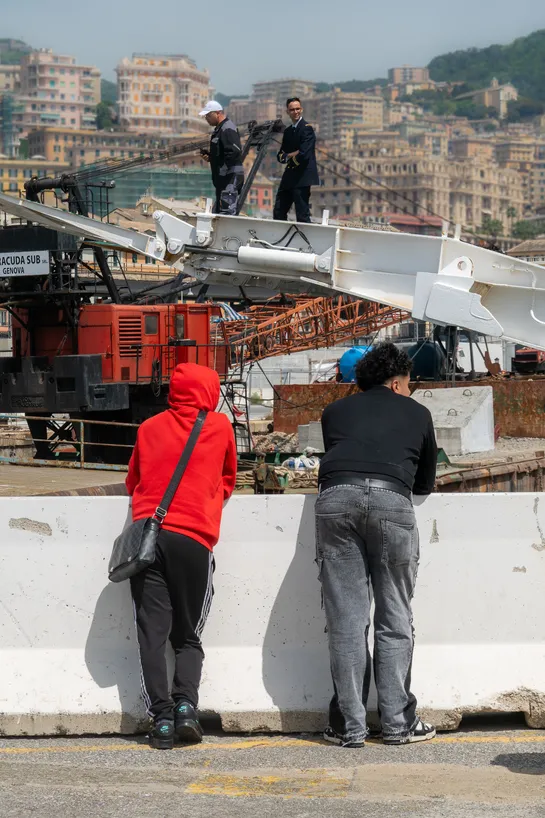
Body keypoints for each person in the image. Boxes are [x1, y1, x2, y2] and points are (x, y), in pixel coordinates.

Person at [315, 342, 437, 748]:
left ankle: (349, 728)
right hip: (392, 502)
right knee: (394, 616)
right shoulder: (418, 412)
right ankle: (399, 725)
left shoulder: (333, 411)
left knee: (347, 620)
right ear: (399, 383)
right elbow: (424, 484)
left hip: (336, 501)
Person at [126, 362, 237, 749]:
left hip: (148, 538)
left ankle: (160, 720)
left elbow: (133, 481)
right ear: (209, 390)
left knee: (151, 634)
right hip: (193, 537)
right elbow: (229, 480)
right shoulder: (221, 427)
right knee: (188, 634)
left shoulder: (147, 428)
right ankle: (186, 707)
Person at [273, 97, 319, 223]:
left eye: (297, 109)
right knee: (278, 210)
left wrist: (289, 156)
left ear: (301, 109)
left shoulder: (307, 129)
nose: (295, 112)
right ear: (287, 112)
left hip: (302, 176)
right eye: (292, 109)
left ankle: (305, 240)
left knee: (302, 213)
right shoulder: (288, 131)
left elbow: (304, 154)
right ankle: (281, 238)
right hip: (289, 176)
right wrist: (290, 155)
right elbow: (280, 155)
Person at [199, 100, 244, 215]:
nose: (206, 118)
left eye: (208, 115)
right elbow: (223, 153)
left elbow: (234, 152)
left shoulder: (227, 128)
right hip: (223, 180)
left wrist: (221, 166)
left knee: (227, 213)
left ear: (218, 113)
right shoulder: (219, 129)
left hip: (229, 179)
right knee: (218, 213)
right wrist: (211, 157)